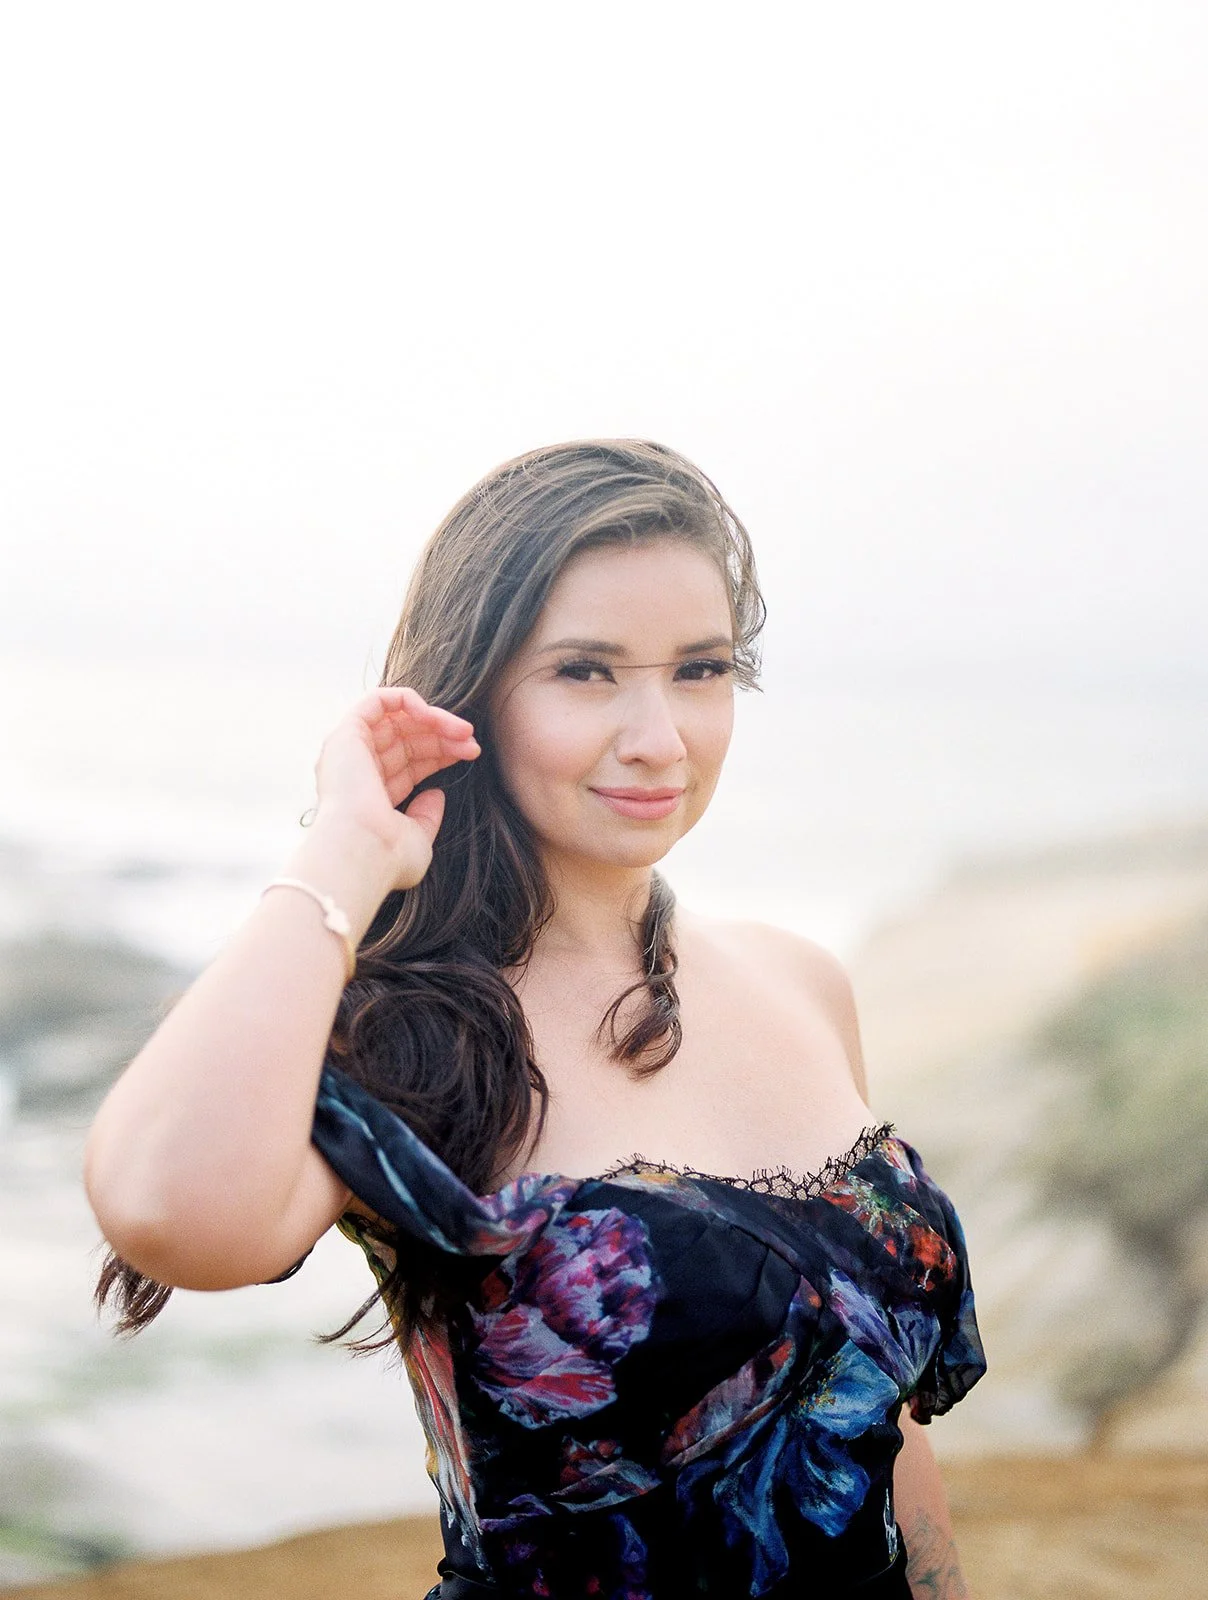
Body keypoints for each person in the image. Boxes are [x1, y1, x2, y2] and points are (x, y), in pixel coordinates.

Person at [84, 439, 987, 1599]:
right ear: (475, 695)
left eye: (700, 668)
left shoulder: (799, 982)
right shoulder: (411, 1030)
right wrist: (345, 852)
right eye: (586, 671)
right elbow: (171, 1208)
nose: (659, 735)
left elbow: (870, 1418)